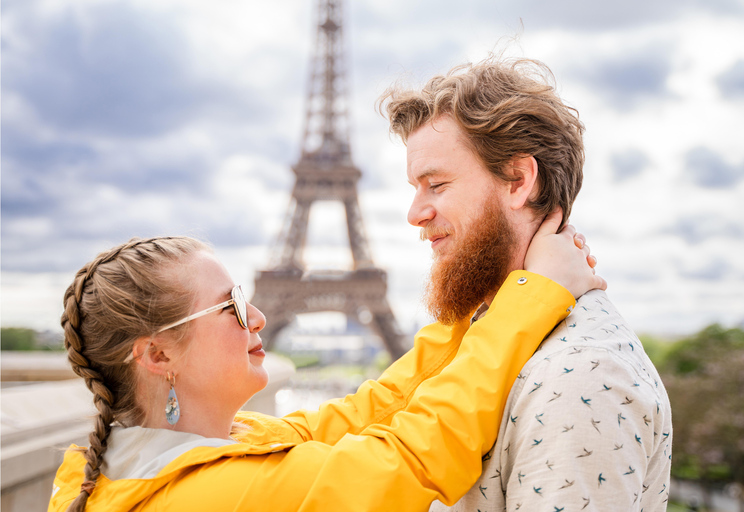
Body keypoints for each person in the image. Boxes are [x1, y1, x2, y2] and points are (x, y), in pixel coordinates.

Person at [49, 224, 602, 512]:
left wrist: (479, 308)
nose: (259, 316)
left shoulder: (121, 468)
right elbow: (413, 454)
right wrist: (539, 294)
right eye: (233, 307)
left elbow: (359, 414)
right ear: (158, 355)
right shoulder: (218, 493)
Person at [380, 57, 672, 512]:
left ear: (518, 180)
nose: (415, 213)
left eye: (435, 184)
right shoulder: (488, 337)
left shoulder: (583, 374)